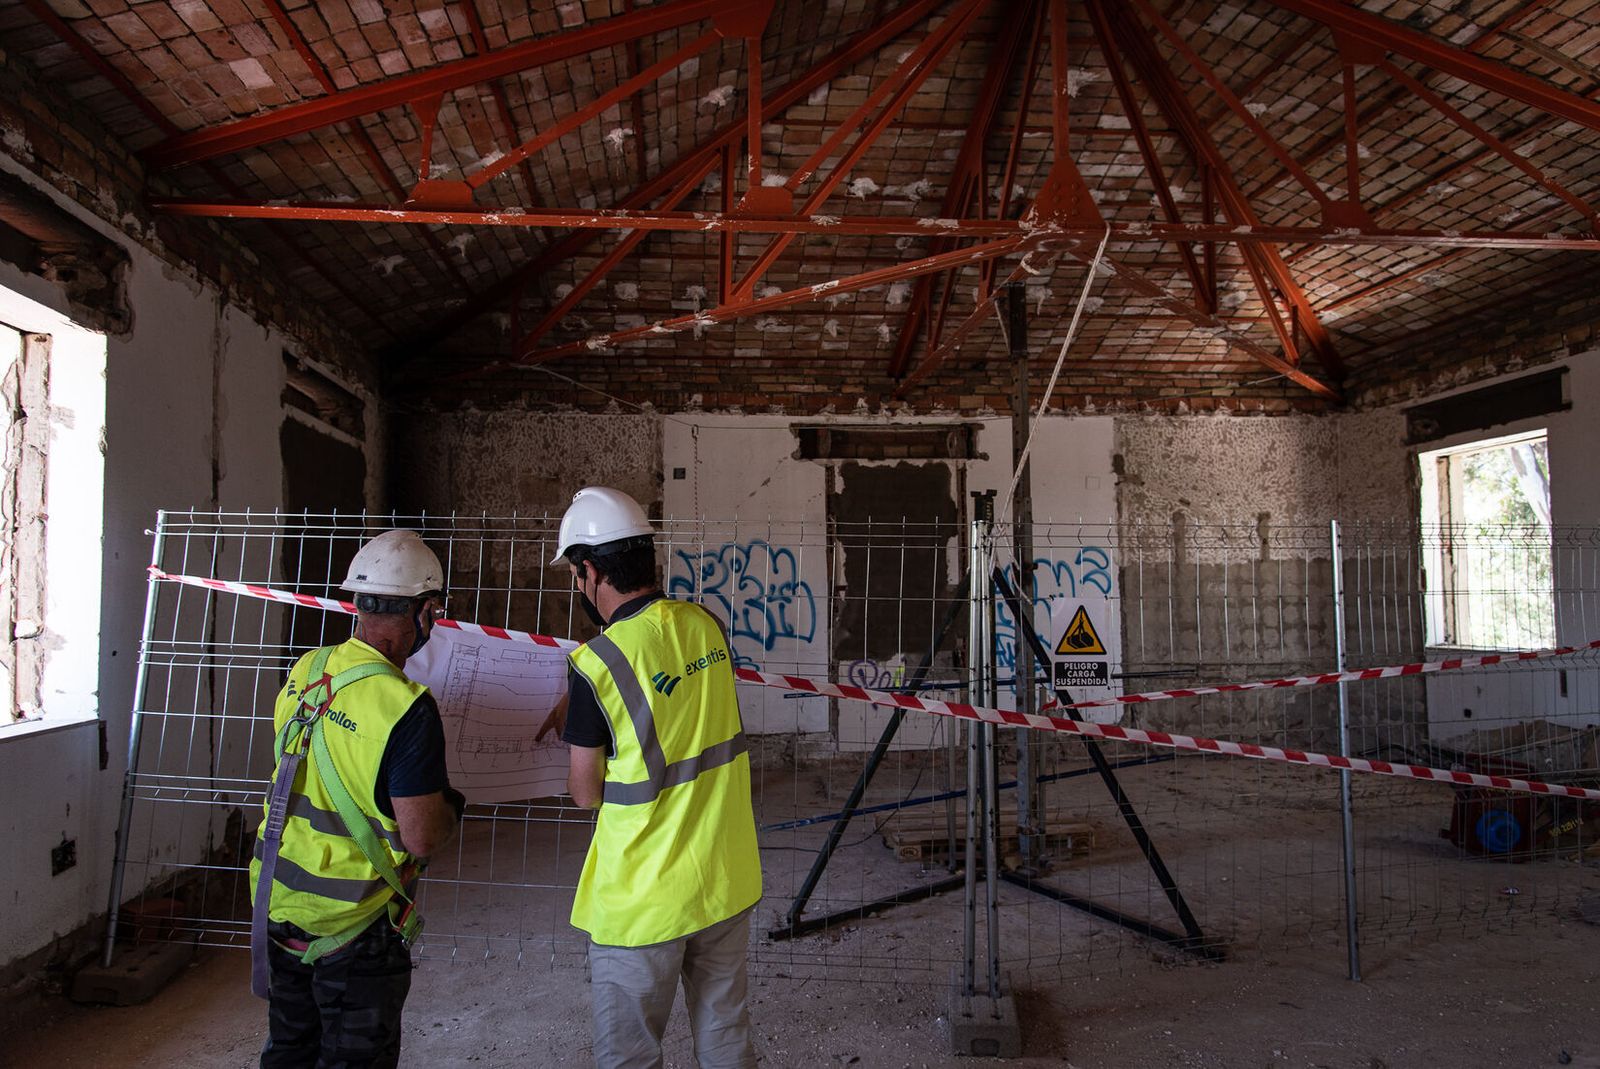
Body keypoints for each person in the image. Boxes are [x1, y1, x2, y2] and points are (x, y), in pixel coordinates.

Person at [550, 486, 762, 1069]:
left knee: (630, 1053)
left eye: (575, 574)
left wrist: (583, 722)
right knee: (726, 1036)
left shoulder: (597, 663)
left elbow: (584, 792)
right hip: (723, 876)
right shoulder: (707, 626)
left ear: (590, 571)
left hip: (644, 900)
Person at [249, 528, 466, 1069]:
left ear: (357, 603)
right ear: (426, 612)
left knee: (289, 1049)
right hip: (354, 923)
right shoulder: (406, 709)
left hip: (277, 902)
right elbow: (420, 836)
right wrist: (452, 807)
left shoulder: (308, 669)